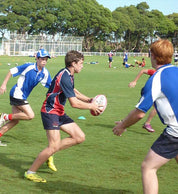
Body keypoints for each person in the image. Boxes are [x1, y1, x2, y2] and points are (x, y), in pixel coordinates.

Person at [24, 50, 102, 183]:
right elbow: (74, 103)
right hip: (50, 112)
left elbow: (73, 92)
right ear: (73, 63)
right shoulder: (65, 76)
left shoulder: (69, 74)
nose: (82, 66)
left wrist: (89, 99)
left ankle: (50, 153)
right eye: (81, 63)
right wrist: (92, 107)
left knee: (79, 137)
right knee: (52, 146)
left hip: (59, 111)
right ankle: (30, 172)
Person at [113, 39, 178, 194]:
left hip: (175, 132)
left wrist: (122, 125)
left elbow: (140, 113)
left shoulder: (156, 79)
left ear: (153, 56)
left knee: (148, 167)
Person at [0, 49, 57, 171]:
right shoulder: (29, 67)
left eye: (46, 60)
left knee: (16, 120)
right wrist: (3, 84)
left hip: (21, 96)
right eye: (42, 59)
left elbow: (51, 86)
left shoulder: (45, 73)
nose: (44, 62)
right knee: (30, 115)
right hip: (16, 94)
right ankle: (5, 117)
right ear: (37, 58)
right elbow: (11, 71)